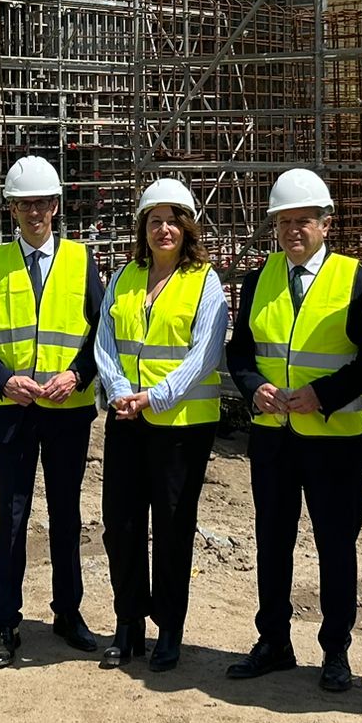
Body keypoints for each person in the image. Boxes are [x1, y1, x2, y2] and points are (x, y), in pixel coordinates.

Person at [225, 167, 362, 693]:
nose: (292, 231)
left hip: (333, 438)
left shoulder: (356, 280)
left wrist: (323, 396)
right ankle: (274, 641)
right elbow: (240, 351)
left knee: (336, 545)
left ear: (326, 223)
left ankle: (336, 651)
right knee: (272, 540)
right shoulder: (259, 278)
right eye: (283, 222)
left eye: (303, 221)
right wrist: (252, 388)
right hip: (271, 434)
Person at [0, 154, 105, 668]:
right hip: (13, 411)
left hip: (69, 409)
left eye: (42, 203)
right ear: (11, 210)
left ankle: (69, 613)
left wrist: (78, 376)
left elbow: (100, 335)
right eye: (24, 204)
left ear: (57, 205)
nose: (34, 212)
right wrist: (3, 379)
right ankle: (4, 621)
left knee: (66, 514)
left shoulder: (81, 260)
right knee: (14, 515)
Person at [94, 178, 229, 673]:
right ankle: (128, 624)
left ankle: (169, 628)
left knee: (173, 528)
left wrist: (156, 396)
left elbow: (205, 353)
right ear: (142, 228)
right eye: (155, 220)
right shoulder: (125, 276)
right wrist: (120, 392)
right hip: (128, 418)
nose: (164, 229)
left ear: (188, 226)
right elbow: (105, 339)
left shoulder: (205, 281)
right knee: (122, 524)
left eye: (173, 220)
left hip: (181, 425)